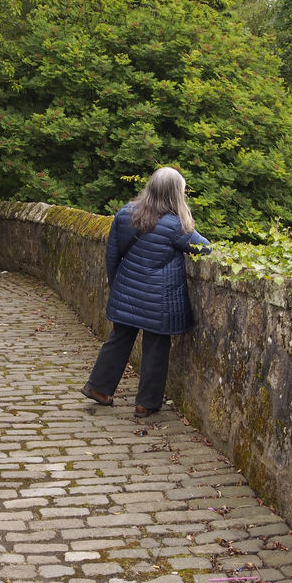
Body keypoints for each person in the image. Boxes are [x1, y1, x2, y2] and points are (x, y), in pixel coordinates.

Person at [81, 166, 210, 417]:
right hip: (158, 299)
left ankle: (99, 388)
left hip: (127, 290)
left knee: (119, 339)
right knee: (156, 346)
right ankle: (146, 403)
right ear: (175, 194)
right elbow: (204, 249)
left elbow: (112, 256)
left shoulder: (125, 214)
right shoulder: (176, 225)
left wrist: (116, 284)